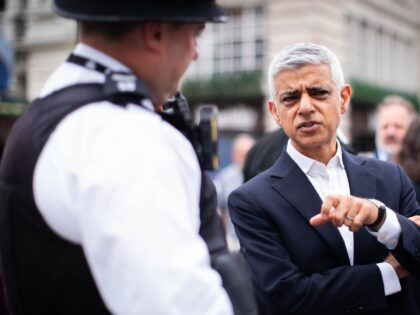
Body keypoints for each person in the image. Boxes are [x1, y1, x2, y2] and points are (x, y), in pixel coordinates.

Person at [0, 1, 238, 314]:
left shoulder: (49, 112)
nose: (195, 52)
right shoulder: (123, 133)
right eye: (195, 35)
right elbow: (179, 304)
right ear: (155, 33)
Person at [228, 42, 420, 315]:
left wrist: (380, 218)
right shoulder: (251, 200)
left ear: (343, 99)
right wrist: (387, 273)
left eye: (319, 92)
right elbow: (287, 297)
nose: (305, 107)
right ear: (275, 112)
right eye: (290, 98)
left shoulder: (391, 176)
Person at [214, 134, 255, 250]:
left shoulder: (261, 174)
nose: (245, 159)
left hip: (256, 240)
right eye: (242, 154)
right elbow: (219, 210)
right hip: (232, 240)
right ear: (234, 154)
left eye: (248, 154)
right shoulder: (225, 178)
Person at [360, 95, 415, 162]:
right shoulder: (361, 163)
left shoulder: (417, 168)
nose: (390, 132)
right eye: (385, 127)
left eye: (398, 126)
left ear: (412, 130)